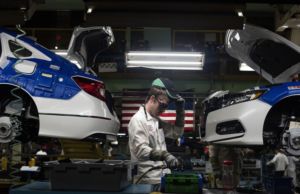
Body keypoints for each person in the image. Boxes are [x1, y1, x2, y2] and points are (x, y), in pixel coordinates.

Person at [128, 78, 185, 185]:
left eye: (167, 106)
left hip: (162, 177)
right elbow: (141, 150)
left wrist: (180, 110)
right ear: (153, 99)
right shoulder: (138, 120)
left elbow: (177, 132)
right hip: (147, 180)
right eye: (163, 105)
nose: (164, 110)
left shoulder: (156, 120)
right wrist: (165, 155)